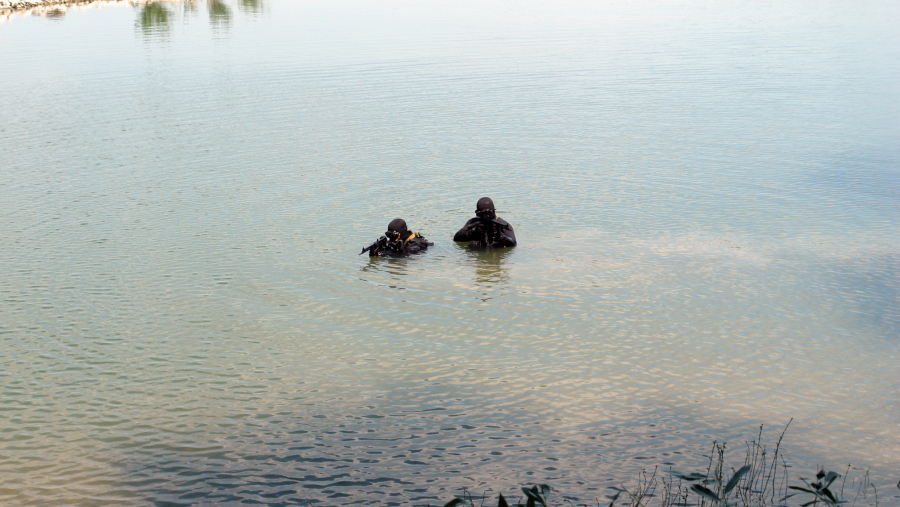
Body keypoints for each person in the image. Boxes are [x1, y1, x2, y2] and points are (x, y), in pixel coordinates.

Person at [361, 218, 433, 257]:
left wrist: (402, 251)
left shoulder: (413, 245)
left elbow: (408, 259)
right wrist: (376, 253)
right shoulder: (394, 242)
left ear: (401, 234)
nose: (391, 238)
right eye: (389, 235)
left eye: (393, 235)